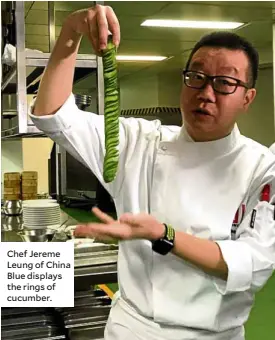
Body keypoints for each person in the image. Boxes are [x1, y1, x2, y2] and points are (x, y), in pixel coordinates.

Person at [30, 5, 275, 340]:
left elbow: (253, 263)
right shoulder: (140, 142)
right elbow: (52, 115)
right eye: (196, 77)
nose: (206, 93)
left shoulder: (262, 167)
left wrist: (163, 234)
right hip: (132, 328)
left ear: (248, 98)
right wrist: (71, 32)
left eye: (225, 83)